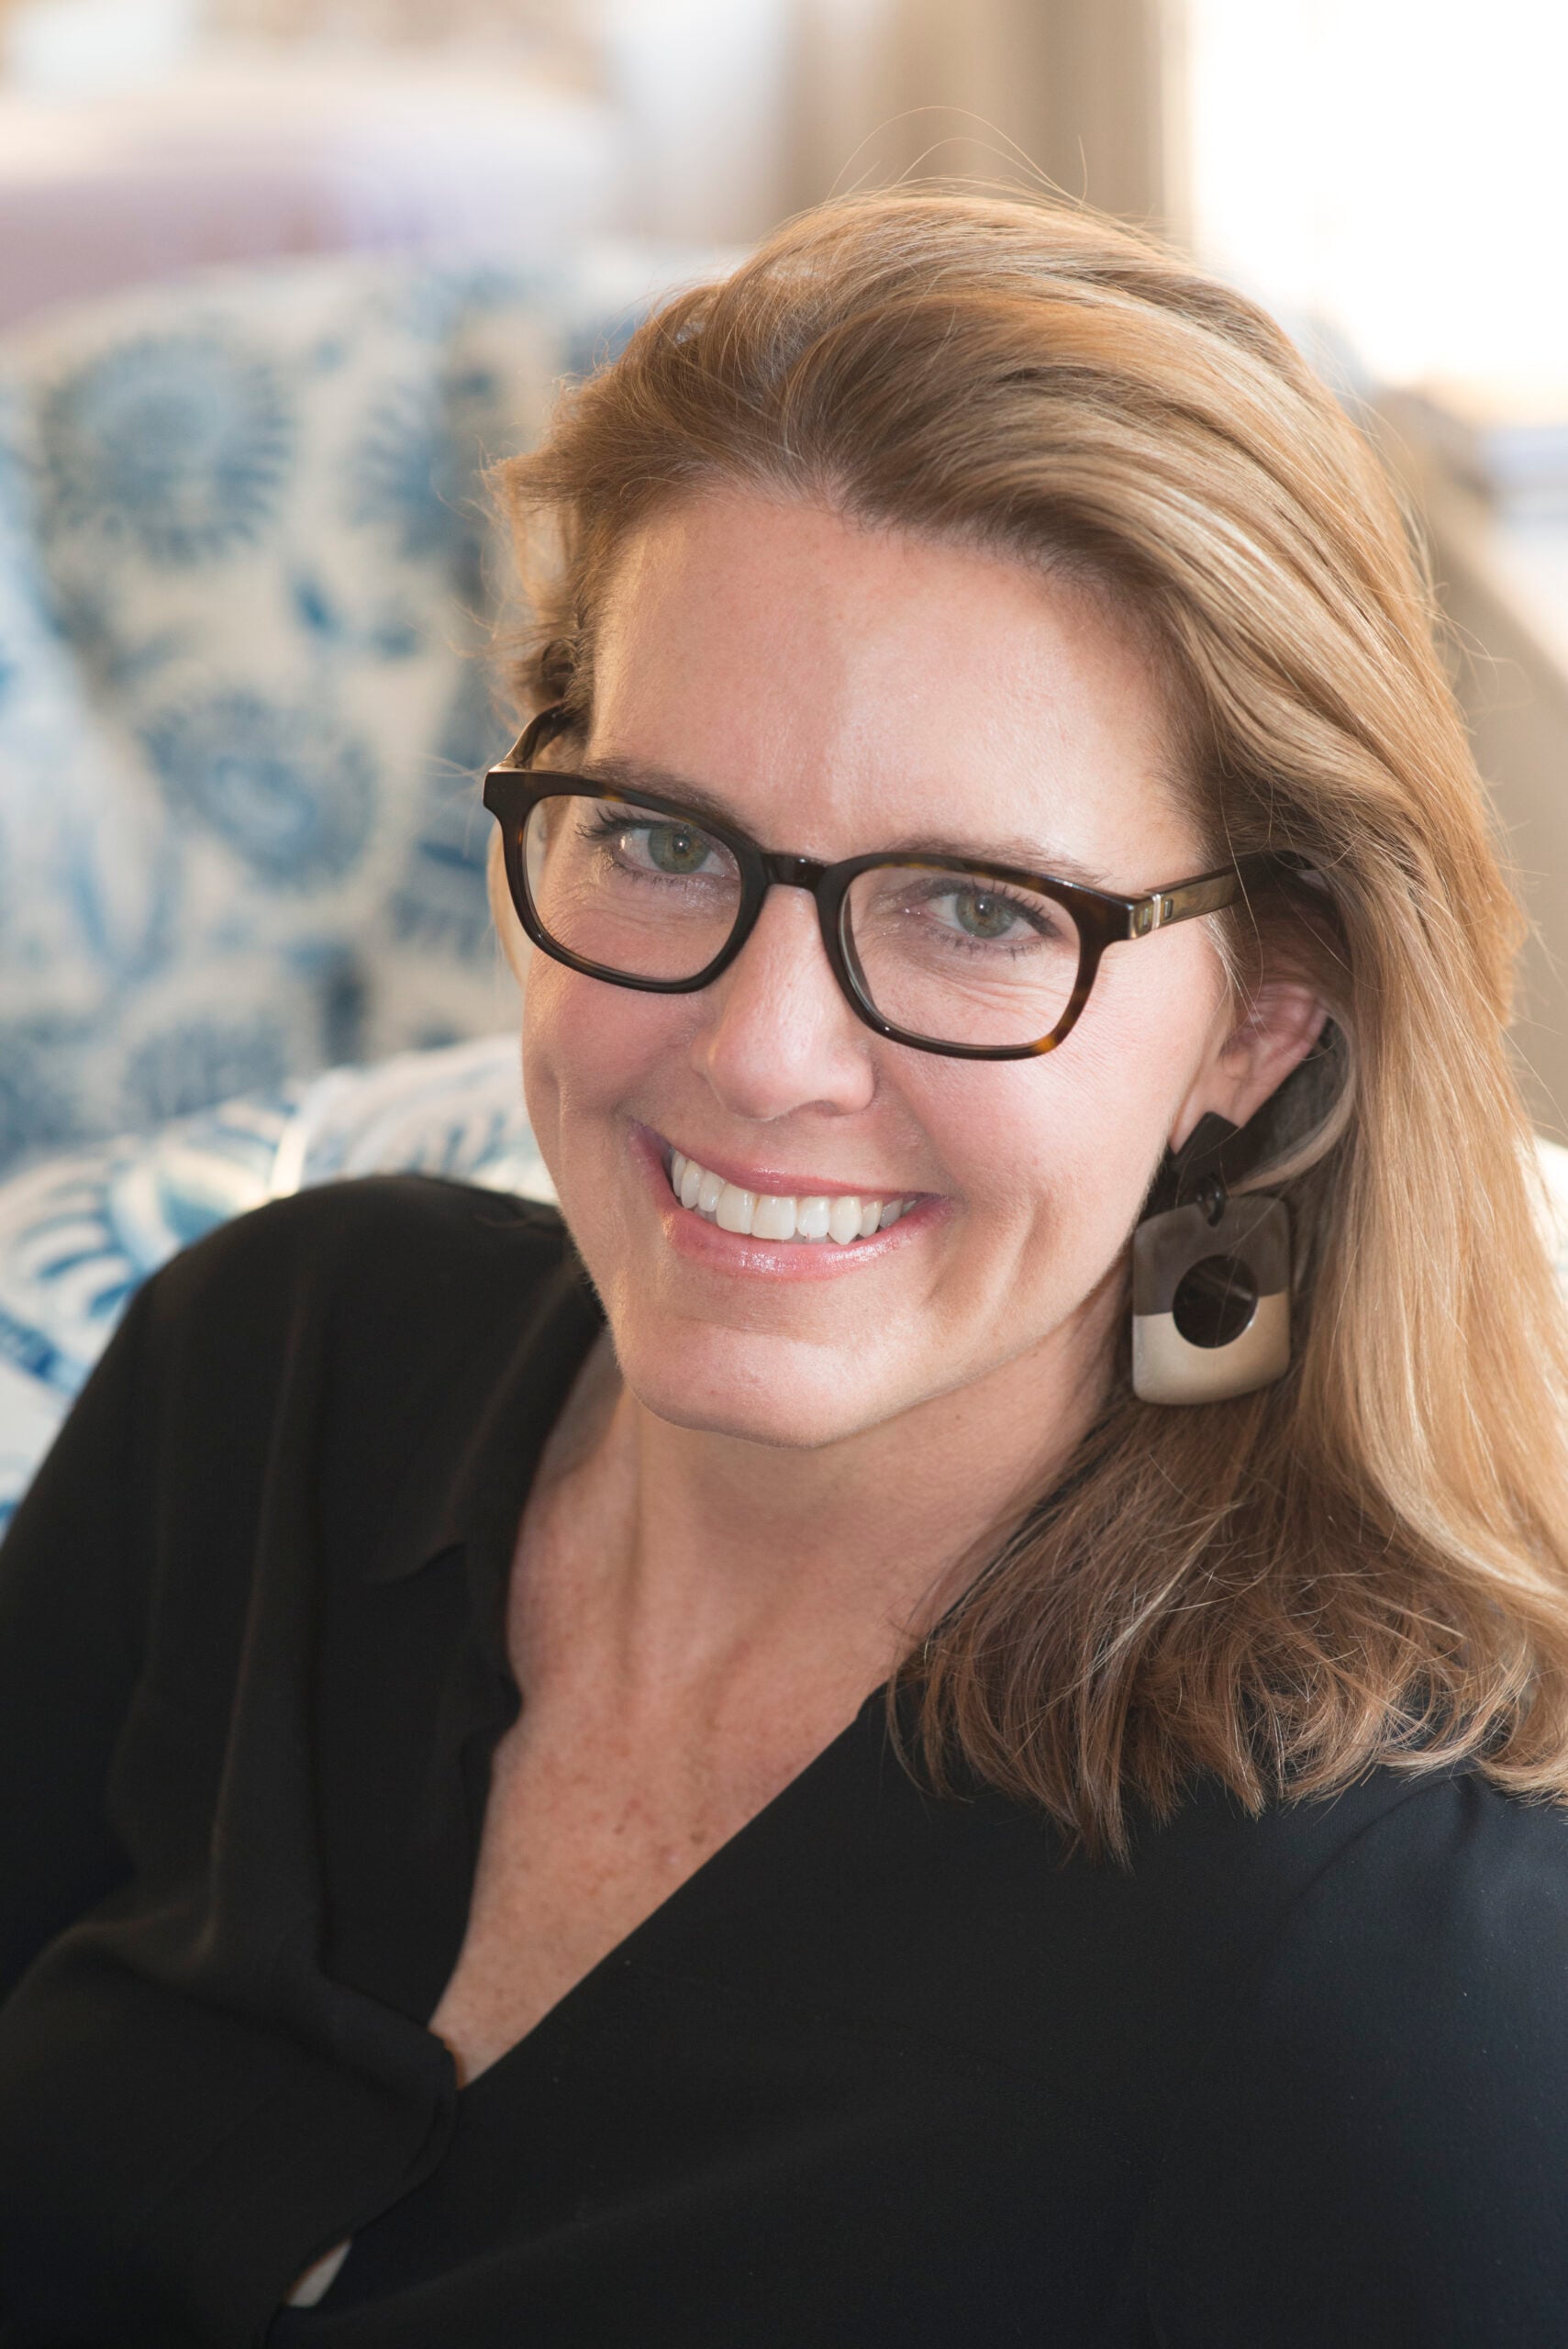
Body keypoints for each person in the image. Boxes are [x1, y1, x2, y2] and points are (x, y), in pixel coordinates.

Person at [4, 187, 1568, 2347]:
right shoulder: (271, 1367)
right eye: (661, 840)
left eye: (978, 910)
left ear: (1260, 1018)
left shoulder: (1391, 1987)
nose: (758, 1052)